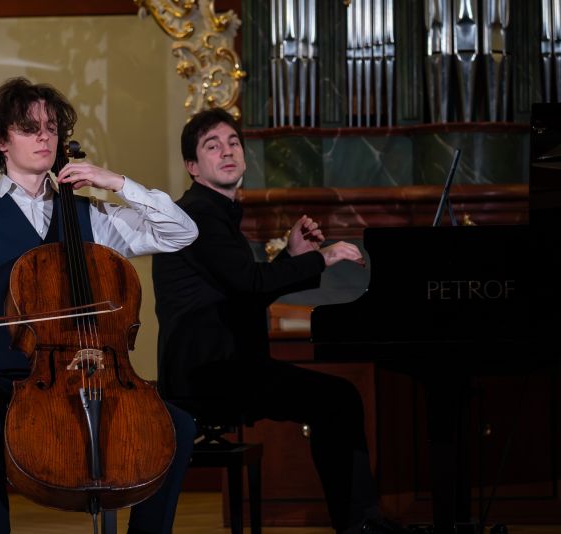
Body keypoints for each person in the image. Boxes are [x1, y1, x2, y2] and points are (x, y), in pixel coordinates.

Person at [0, 77, 197, 534]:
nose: (45, 137)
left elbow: (181, 233)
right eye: (29, 128)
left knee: (176, 426)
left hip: (94, 371)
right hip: (1, 380)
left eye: (51, 128)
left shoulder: (92, 215)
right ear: (1, 141)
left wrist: (116, 183)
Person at [152, 108, 407, 534]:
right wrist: (321, 258)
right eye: (212, 146)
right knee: (338, 399)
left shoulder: (213, 213)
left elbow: (243, 291)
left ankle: (360, 521)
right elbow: (250, 284)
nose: (227, 151)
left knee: (337, 399)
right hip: (210, 374)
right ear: (192, 166)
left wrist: (292, 256)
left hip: (223, 368)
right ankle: (361, 524)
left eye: (233, 142)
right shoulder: (198, 214)